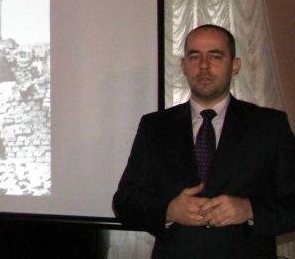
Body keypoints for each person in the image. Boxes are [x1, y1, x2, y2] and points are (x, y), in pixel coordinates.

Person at [113, 24, 295, 259]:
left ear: (235, 65)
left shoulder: (270, 126)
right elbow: (125, 201)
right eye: (194, 56)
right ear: (183, 66)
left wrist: (249, 210)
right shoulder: (155, 127)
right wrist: (169, 211)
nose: (204, 66)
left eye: (215, 56)